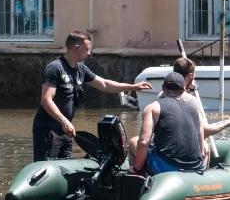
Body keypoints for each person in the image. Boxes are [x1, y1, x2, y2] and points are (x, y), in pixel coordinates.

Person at [33, 31, 151, 161]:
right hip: (48, 130)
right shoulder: (55, 68)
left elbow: (104, 84)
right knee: (45, 167)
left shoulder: (80, 69)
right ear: (76, 48)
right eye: (87, 49)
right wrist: (64, 121)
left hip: (66, 130)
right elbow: (46, 99)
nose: (89, 53)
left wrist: (133, 87)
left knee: (65, 165)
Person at [130, 72, 211, 174]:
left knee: (134, 142)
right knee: (205, 145)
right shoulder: (195, 111)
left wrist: (136, 168)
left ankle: (138, 177)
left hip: (166, 167)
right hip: (195, 167)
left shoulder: (153, 107)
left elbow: (144, 142)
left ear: (163, 88)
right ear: (183, 90)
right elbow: (201, 150)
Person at [172, 56, 230, 164]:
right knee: (204, 145)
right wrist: (229, 123)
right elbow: (204, 131)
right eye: (193, 77)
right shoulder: (191, 101)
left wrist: (187, 89)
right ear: (190, 76)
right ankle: (201, 173)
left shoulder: (162, 96)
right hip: (182, 153)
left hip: (166, 148)